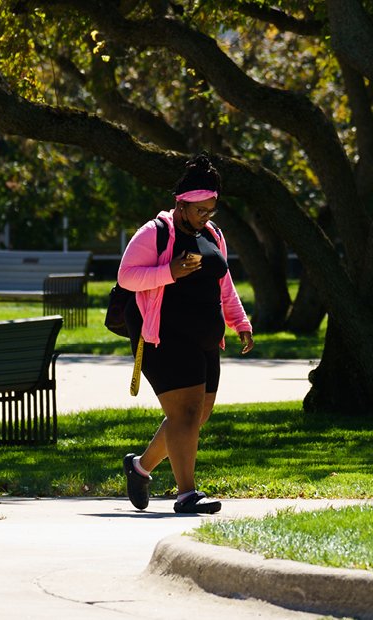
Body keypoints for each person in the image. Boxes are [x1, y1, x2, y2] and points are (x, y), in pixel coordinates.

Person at [117, 155, 254, 514]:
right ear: (181, 204)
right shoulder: (155, 233)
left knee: (197, 415)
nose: (206, 216)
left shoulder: (213, 235)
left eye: (211, 209)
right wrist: (170, 271)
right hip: (164, 336)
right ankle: (187, 495)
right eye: (199, 210)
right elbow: (126, 276)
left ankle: (140, 467)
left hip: (205, 336)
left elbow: (224, 282)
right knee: (186, 413)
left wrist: (240, 322)